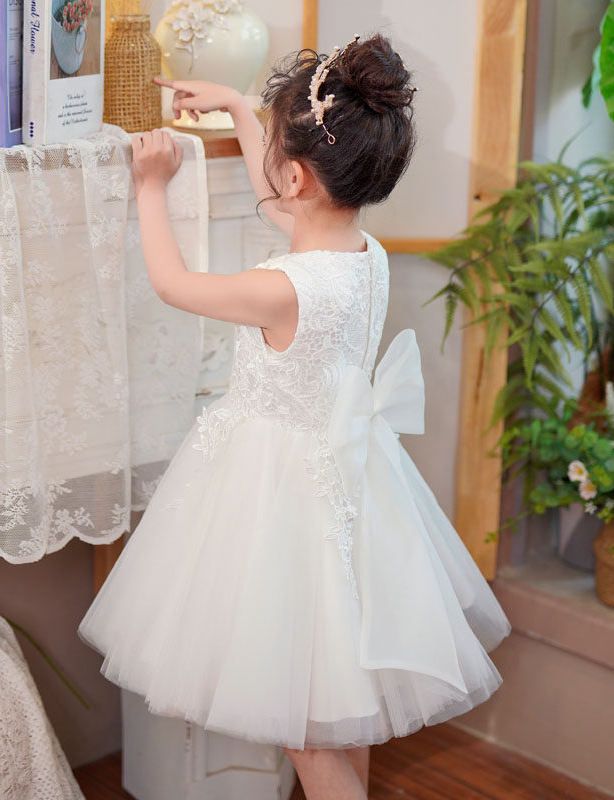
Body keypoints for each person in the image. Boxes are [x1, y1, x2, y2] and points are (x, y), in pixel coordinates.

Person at [77, 33, 512, 800]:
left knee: (306, 732)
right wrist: (240, 108)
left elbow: (174, 283)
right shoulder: (364, 254)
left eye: (276, 150)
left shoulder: (281, 287)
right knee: (344, 710)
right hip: (350, 489)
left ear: (298, 176)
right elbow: (284, 197)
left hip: (280, 504)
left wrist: (151, 185)